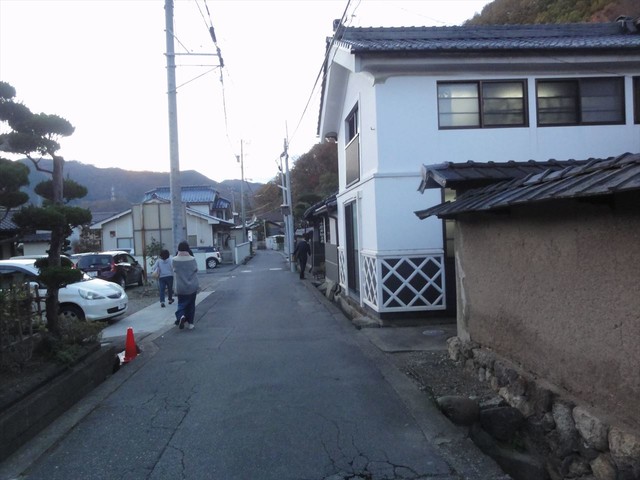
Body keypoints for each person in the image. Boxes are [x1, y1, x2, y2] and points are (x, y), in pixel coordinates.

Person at [172, 241, 199, 330]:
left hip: (180, 287)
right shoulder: (192, 259)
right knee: (191, 305)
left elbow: (174, 270)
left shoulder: (174, 260)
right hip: (192, 286)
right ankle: (191, 324)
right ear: (188, 249)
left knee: (181, 304)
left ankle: (181, 316)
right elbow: (196, 269)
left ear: (178, 249)